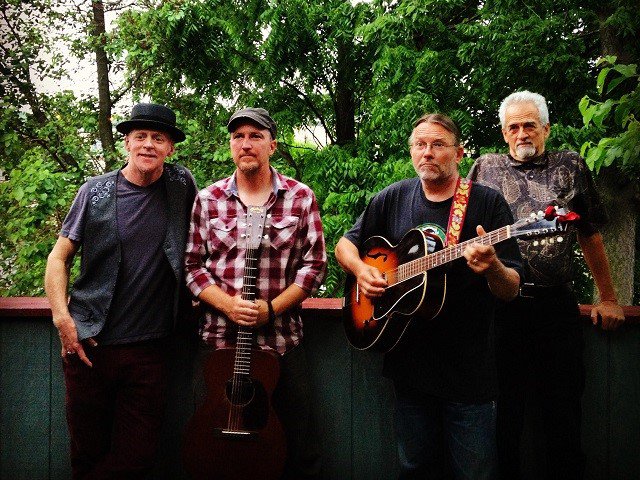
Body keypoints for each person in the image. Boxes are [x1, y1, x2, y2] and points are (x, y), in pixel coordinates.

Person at [335, 113, 523, 479]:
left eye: (438, 145)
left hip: (470, 372)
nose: (428, 153)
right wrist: (363, 271)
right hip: (409, 367)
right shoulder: (393, 197)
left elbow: (511, 287)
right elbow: (344, 246)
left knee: (476, 472)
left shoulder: (486, 203)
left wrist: (494, 268)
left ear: (460, 152)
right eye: (420, 145)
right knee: (414, 468)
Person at [467, 90, 626, 479]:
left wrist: (607, 297)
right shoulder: (483, 167)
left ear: (546, 129)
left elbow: (590, 234)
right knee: (502, 416)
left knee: (563, 415)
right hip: (499, 311)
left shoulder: (570, 166)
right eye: (514, 127)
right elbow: (460, 231)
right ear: (504, 133)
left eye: (530, 125)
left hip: (556, 310)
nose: (522, 133)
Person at [44, 103, 197, 479]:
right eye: (140, 136)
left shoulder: (182, 186)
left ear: (170, 148)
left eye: (158, 138)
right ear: (126, 142)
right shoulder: (93, 193)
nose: (148, 144)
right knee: (86, 455)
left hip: (151, 351)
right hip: (89, 349)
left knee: (136, 460)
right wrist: (63, 320)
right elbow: (58, 259)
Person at [184, 107, 327, 479]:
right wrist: (228, 305)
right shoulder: (207, 199)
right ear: (230, 145)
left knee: (299, 451)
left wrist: (270, 309)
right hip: (218, 346)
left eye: (255, 136)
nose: (245, 144)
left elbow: (314, 268)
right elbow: (192, 268)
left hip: (281, 344)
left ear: (272, 145)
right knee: (212, 452)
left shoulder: (300, 197)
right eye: (238, 137)